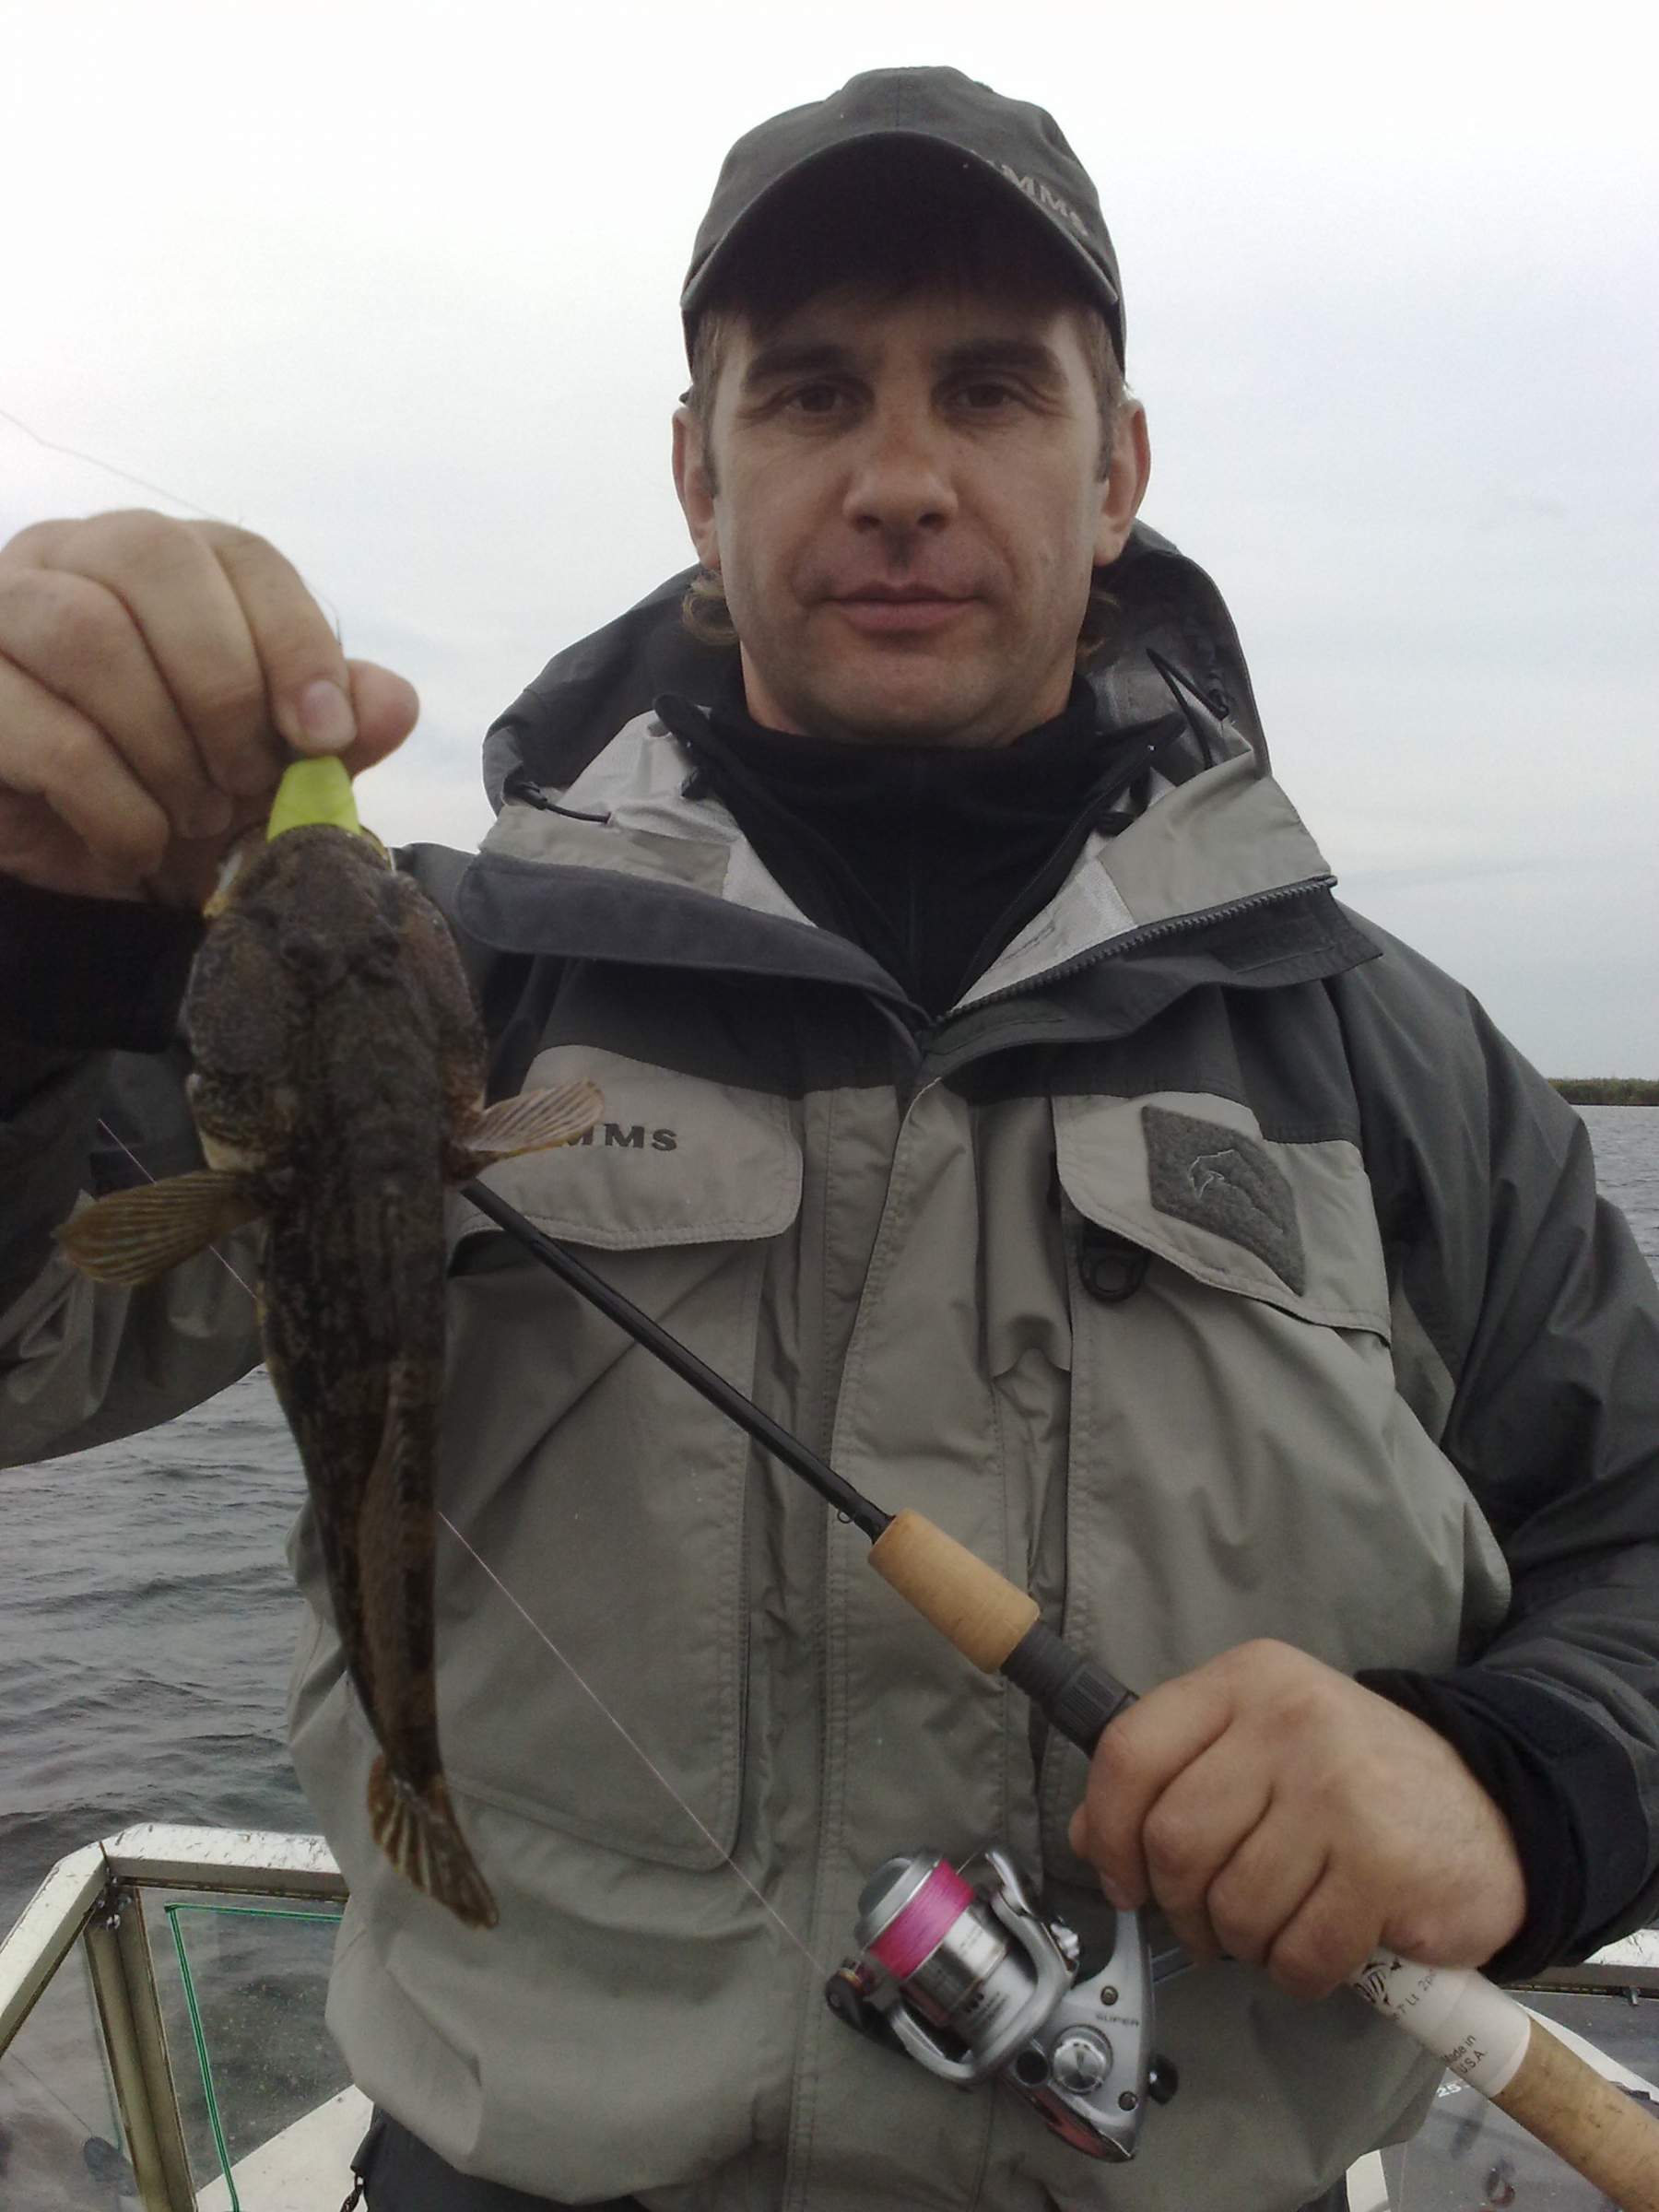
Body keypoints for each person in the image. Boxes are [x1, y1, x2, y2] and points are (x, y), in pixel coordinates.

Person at [2, 65, 1656, 2212]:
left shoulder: (1396, 1061)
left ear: (1117, 469)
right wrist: (39, 952)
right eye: (806, 395)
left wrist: (1511, 1783)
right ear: (699, 473)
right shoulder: (432, 977)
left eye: (990, 389)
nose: (896, 481)